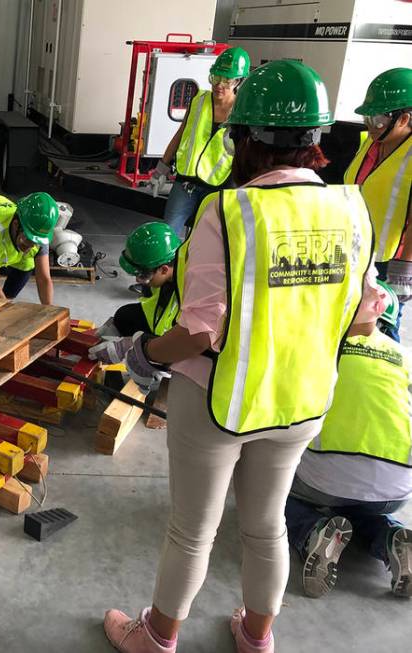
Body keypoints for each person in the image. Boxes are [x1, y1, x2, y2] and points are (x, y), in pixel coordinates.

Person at [89, 60, 375, 653]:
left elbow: (198, 331)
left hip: (220, 401)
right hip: (301, 399)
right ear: (315, 142)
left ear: (247, 140)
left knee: (192, 532)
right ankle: (255, 635)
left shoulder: (231, 211)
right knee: (265, 526)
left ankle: (156, 638)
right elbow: (368, 316)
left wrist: (143, 352)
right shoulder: (352, 210)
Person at [284, 280, 412, 599]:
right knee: (364, 505)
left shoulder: (321, 348)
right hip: (397, 486)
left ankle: (312, 531)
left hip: (324, 480)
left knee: (276, 495)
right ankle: (390, 536)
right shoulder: (404, 356)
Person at [151, 47, 251, 237]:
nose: (219, 85)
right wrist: (160, 169)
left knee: (207, 240)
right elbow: (180, 135)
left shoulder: (242, 113)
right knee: (168, 233)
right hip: (186, 182)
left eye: (226, 80)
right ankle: (167, 266)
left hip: (219, 186)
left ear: (238, 81)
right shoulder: (198, 101)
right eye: (215, 78)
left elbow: (246, 153)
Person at [343, 68, 412, 341]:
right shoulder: (370, 144)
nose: (370, 124)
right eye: (368, 116)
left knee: (383, 329)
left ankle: (384, 381)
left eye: (379, 118)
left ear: (405, 118)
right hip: (357, 250)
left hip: (389, 260)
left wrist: (405, 269)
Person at [95, 223, 181, 338]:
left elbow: (189, 340)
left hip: (181, 341)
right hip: (159, 327)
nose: (138, 280)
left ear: (164, 270)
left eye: (143, 275)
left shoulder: (191, 288)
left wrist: (144, 348)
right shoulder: (161, 278)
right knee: (123, 316)